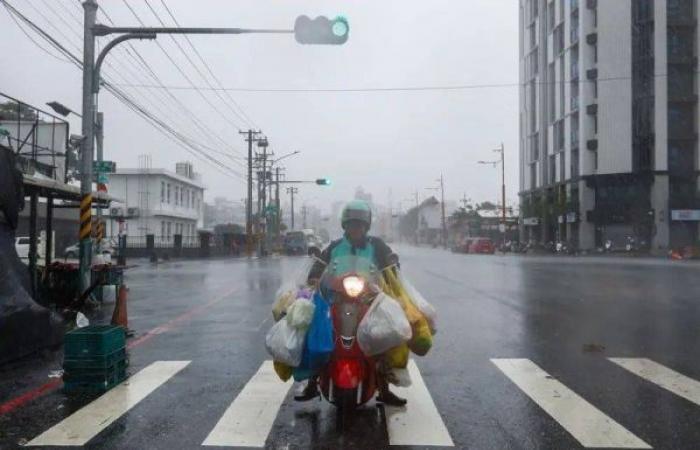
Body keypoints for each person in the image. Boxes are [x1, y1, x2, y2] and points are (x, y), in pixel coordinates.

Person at [294, 199, 407, 406]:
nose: (356, 228)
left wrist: (392, 264)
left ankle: (384, 387)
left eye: (360, 225)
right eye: (352, 224)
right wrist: (314, 275)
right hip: (336, 298)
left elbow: (389, 265)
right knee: (318, 330)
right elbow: (320, 267)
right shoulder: (335, 247)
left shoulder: (378, 246)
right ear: (345, 226)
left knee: (384, 334)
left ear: (366, 227)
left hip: (370, 299)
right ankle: (312, 380)